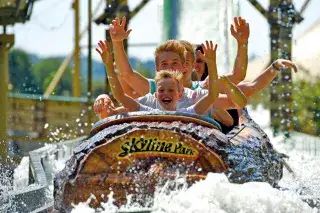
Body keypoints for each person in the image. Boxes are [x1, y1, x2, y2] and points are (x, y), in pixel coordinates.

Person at [97, 39, 220, 116]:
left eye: (171, 90)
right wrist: (108, 65)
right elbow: (120, 95)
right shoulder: (148, 109)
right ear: (155, 94)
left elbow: (213, 95)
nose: (166, 94)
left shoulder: (188, 112)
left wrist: (212, 64)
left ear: (179, 95)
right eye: (161, 90)